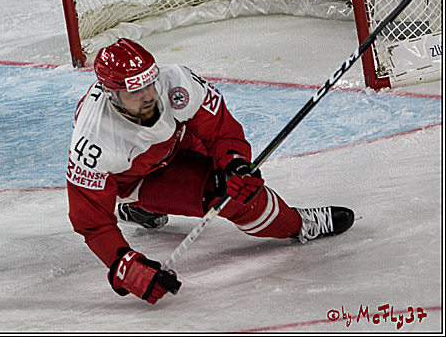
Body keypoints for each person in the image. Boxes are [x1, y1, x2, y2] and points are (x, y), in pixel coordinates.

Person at [67, 38, 354, 305]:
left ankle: (142, 211)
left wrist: (234, 163)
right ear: (110, 94)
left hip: (180, 143)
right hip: (139, 178)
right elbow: (92, 222)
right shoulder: (92, 141)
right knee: (228, 198)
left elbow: (219, 130)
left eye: (150, 84)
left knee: (237, 183)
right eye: (135, 91)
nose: (148, 96)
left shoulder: (175, 82)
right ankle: (297, 223)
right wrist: (124, 265)